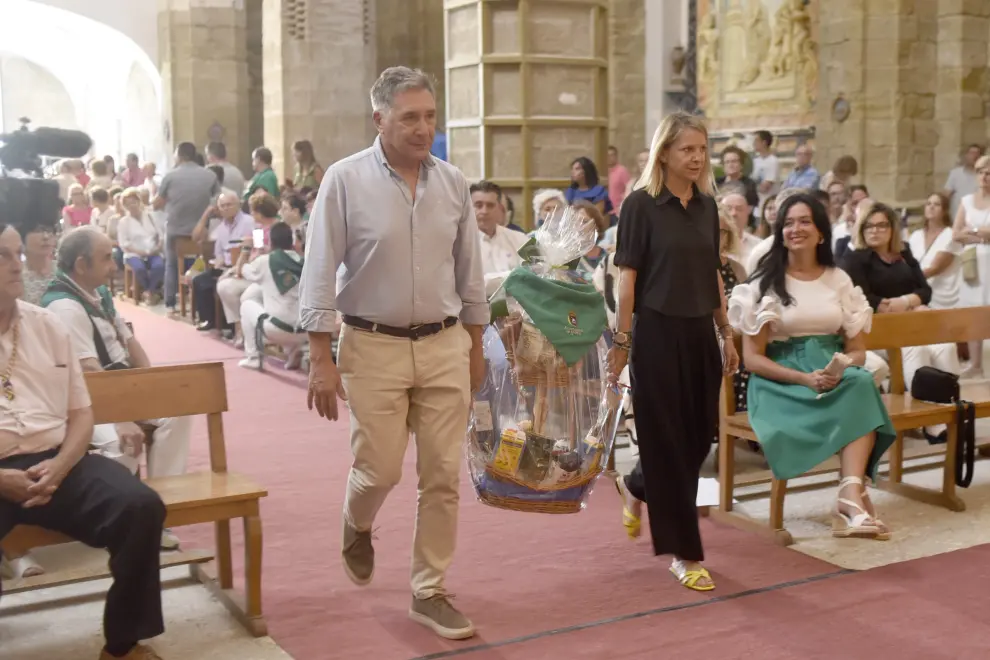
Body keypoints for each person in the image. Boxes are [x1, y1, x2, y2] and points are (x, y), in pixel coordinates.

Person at [300, 66, 487, 640]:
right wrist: (319, 356)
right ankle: (357, 521)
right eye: (410, 117)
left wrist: (477, 347)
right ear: (379, 118)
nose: (422, 127)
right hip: (372, 345)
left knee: (443, 476)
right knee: (378, 469)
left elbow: (471, 274)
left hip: (444, 344)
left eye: (429, 116)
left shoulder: (453, 182)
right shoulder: (344, 179)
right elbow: (320, 267)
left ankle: (428, 590)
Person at [0, 222, 167, 660]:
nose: (17, 265)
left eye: (17, 253)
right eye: (3, 256)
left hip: (59, 460)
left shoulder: (46, 325)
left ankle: (123, 645)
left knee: (140, 507)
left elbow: (81, 413)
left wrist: (61, 465)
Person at [607, 112, 739, 592]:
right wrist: (622, 342)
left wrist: (726, 331)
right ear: (664, 152)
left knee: (698, 438)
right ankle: (685, 554)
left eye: (702, 148)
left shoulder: (706, 206)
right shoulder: (640, 205)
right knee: (666, 442)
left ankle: (638, 484)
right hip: (656, 333)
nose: (697, 157)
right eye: (687, 148)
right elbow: (628, 281)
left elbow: (712, 275)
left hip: (700, 333)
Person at [729, 193, 896, 539]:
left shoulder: (838, 279)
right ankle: (854, 499)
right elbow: (752, 359)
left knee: (861, 383)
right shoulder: (762, 283)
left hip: (830, 374)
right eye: (788, 223)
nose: (795, 229)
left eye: (804, 221)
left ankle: (849, 494)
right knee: (862, 393)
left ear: (821, 231)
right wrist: (803, 379)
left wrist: (841, 367)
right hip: (781, 381)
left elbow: (858, 349)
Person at [41, 228, 192, 549]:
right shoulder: (64, 306)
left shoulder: (98, 294)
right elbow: (88, 372)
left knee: (177, 414)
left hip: (118, 389)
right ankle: (112, 521)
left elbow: (130, 343)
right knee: (120, 442)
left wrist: (150, 386)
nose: (114, 265)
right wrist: (122, 416)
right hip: (83, 403)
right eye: (106, 258)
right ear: (81, 265)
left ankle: (157, 514)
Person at [153, 142, 222, 317]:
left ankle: (170, 303)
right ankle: (201, 303)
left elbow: (157, 204)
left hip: (176, 228)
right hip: (201, 230)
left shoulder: (170, 176)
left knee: (171, 264)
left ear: (179, 155)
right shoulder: (209, 175)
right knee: (205, 263)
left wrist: (168, 206)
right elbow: (218, 201)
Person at [238, 222, 307, 370]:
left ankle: (253, 357)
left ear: (271, 241)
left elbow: (241, 270)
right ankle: (292, 351)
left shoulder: (265, 261)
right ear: (292, 241)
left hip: (276, 330)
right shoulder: (305, 261)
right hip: (306, 332)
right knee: (287, 308)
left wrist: (246, 248)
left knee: (246, 305)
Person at [117, 188, 165, 303]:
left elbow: (161, 235)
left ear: (139, 202)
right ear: (125, 206)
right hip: (133, 253)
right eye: (128, 204)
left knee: (159, 266)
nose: (132, 206)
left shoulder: (150, 216)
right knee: (139, 268)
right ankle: (151, 292)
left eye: (133, 202)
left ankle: (149, 291)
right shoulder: (124, 222)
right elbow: (123, 243)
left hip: (153, 251)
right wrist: (140, 252)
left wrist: (158, 247)